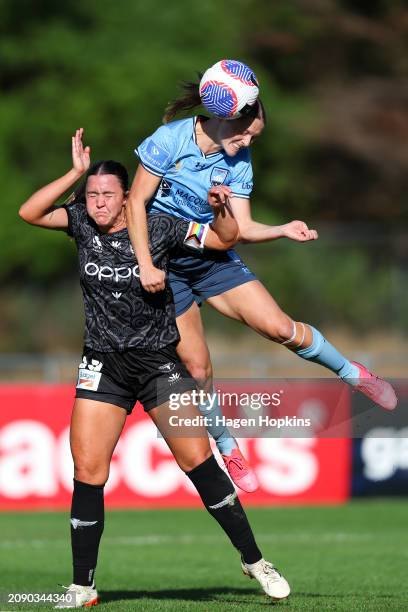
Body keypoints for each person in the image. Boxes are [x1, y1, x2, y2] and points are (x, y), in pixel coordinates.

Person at [18, 128, 291, 608]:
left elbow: (221, 237)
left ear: (128, 199)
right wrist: (75, 173)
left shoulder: (160, 226)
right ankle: (83, 586)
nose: (99, 204)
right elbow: (29, 212)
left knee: (198, 464)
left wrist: (222, 207)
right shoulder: (80, 221)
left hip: (158, 362)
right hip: (102, 363)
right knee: (88, 471)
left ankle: (255, 561)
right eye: (93, 195)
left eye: (109, 195)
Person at [126, 60, 398, 492]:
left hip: (211, 256)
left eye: (254, 137)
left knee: (280, 328)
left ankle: (354, 374)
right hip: (166, 264)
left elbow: (243, 228)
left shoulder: (239, 160)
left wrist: (282, 229)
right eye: (245, 134)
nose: (247, 143)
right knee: (197, 371)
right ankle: (229, 448)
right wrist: (144, 262)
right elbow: (135, 203)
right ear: (224, 116)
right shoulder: (170, 140)